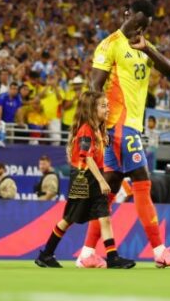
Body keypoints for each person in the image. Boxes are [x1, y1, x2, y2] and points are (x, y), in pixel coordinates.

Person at [77, 0, 170, 269]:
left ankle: (87, 252)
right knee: (142, 180)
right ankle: (160, 251)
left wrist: (148, 48)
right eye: (137, 22)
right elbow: (95, 85)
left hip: (132, 126)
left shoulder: (144, 47)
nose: (139, 28)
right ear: (127, 14)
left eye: (145, 25)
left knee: (110, 189)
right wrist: (97, 127)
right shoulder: (110, 44)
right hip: (118, 125)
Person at [35, 91, 135, 269]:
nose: (107, 109)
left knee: (104, 216)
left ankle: (113, 257)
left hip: (95, 176)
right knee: (69, 218)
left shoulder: (99, 129)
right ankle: (46, 253)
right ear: (91, 108)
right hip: (82, 178)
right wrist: (103, 181)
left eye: (107, 105)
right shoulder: (86, 130)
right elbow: (87, 158)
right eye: (103, 105)